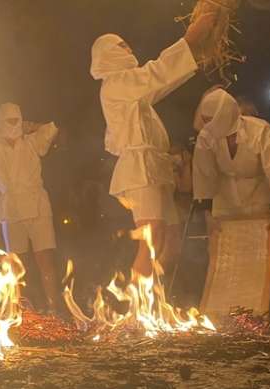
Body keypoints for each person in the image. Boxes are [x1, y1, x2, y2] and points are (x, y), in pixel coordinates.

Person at [89, 10, 217, 278]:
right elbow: (157, 73)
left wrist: (195, 53)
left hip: (154, 166)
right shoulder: (115, 83)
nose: (129, 49)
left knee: (171, 240)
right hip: (139, 168)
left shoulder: (132, 90)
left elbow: (161, 82)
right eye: (121, 46)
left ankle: (155, 303)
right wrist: (190, 40)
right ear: (107, 54)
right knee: (151, 236)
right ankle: (139, 310)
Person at [0, 103, 62, 314]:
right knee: (15, 263)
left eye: (17, 119)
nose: (14, 124)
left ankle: (54, 308)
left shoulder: (32, 142)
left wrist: (32, 126)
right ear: (0, 122)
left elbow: (52, 128)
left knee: (45, 259)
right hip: (10, 209)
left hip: (38, 206)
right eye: (8, 121)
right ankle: (18, 312)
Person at [192, 88, 270, 233]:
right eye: (205, 120)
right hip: (224, 206)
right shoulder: (205, 138)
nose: (206, 126)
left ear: (223, 115)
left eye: (210, 120)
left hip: (260, 204)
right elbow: (203, 175)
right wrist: (206, 213)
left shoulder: (260, 130)